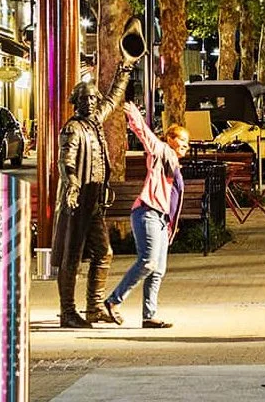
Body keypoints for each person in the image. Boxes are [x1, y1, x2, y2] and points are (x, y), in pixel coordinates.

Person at [52, 17, 145, 328]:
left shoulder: (95, 123)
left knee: (103, 253)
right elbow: (66, 161)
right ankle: (68, 311)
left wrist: (126, 66)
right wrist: (73, 187)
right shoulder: (73, 128)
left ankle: (94, 307)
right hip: (77, 199)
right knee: (71, 256)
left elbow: (114, 98)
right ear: (77, 103)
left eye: (93, 99)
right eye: (86, 99)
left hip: (95, 199)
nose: (92, 102)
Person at [100, 102, 190, 328]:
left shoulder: (175, 167)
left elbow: (173, 201)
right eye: (181, 140)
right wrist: (135, 118)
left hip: (161, 220)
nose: (185, 146)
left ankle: (149, 316)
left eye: (187, 143)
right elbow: (148, 139)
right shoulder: (162, 153)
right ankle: (113, 300)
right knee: (148, 262)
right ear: (170, 139)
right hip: (147, 212)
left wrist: (170, 226)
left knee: (158, 269)